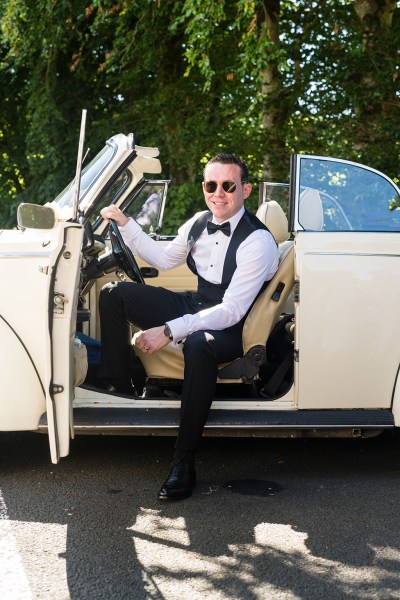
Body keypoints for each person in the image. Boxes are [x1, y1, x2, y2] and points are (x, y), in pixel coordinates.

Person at [99, 153, 279, 501]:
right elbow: (165, 259)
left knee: (198, 344)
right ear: (204, 187)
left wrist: (168, 330)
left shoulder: (257, 241)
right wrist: (125, 223)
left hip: (231, 326)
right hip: (198, 305)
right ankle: (119, 391)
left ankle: (184, 460)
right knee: (113, 295)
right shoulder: (199, 222)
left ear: (246, 189)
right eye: (212, 185)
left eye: (229, 185)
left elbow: (231, 310)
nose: (219, 193)